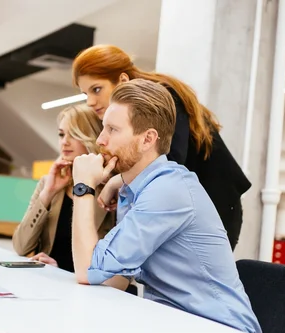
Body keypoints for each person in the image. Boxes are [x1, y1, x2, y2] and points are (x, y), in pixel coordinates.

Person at [70, 79, 261, 333]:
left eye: (113, 130)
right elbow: (113, 277)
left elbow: (87, 270)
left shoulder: (168, 190)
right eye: (103, 129)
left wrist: (83, 187)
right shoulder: (135, 189)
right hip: (175, 324)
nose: (101, 141)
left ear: (147, 139)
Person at [72, 44, 251, 250]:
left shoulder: (161, 98)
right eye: (85, 94)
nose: (91, 102)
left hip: (216, 198)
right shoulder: (135, 109)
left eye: (96, 89)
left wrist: (116, 181)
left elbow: (169, 160)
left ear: (122, 80)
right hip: (185, 200)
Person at [12, 104, 114, 272]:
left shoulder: (111, 190)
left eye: (73, 134)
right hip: (45, 282)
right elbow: (20, 246)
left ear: (91, 137)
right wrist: (47, 194)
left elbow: (111, 266)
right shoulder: (48, 183)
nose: (64, 141)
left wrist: (60, 270)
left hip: (86, 290)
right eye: (61, 134)